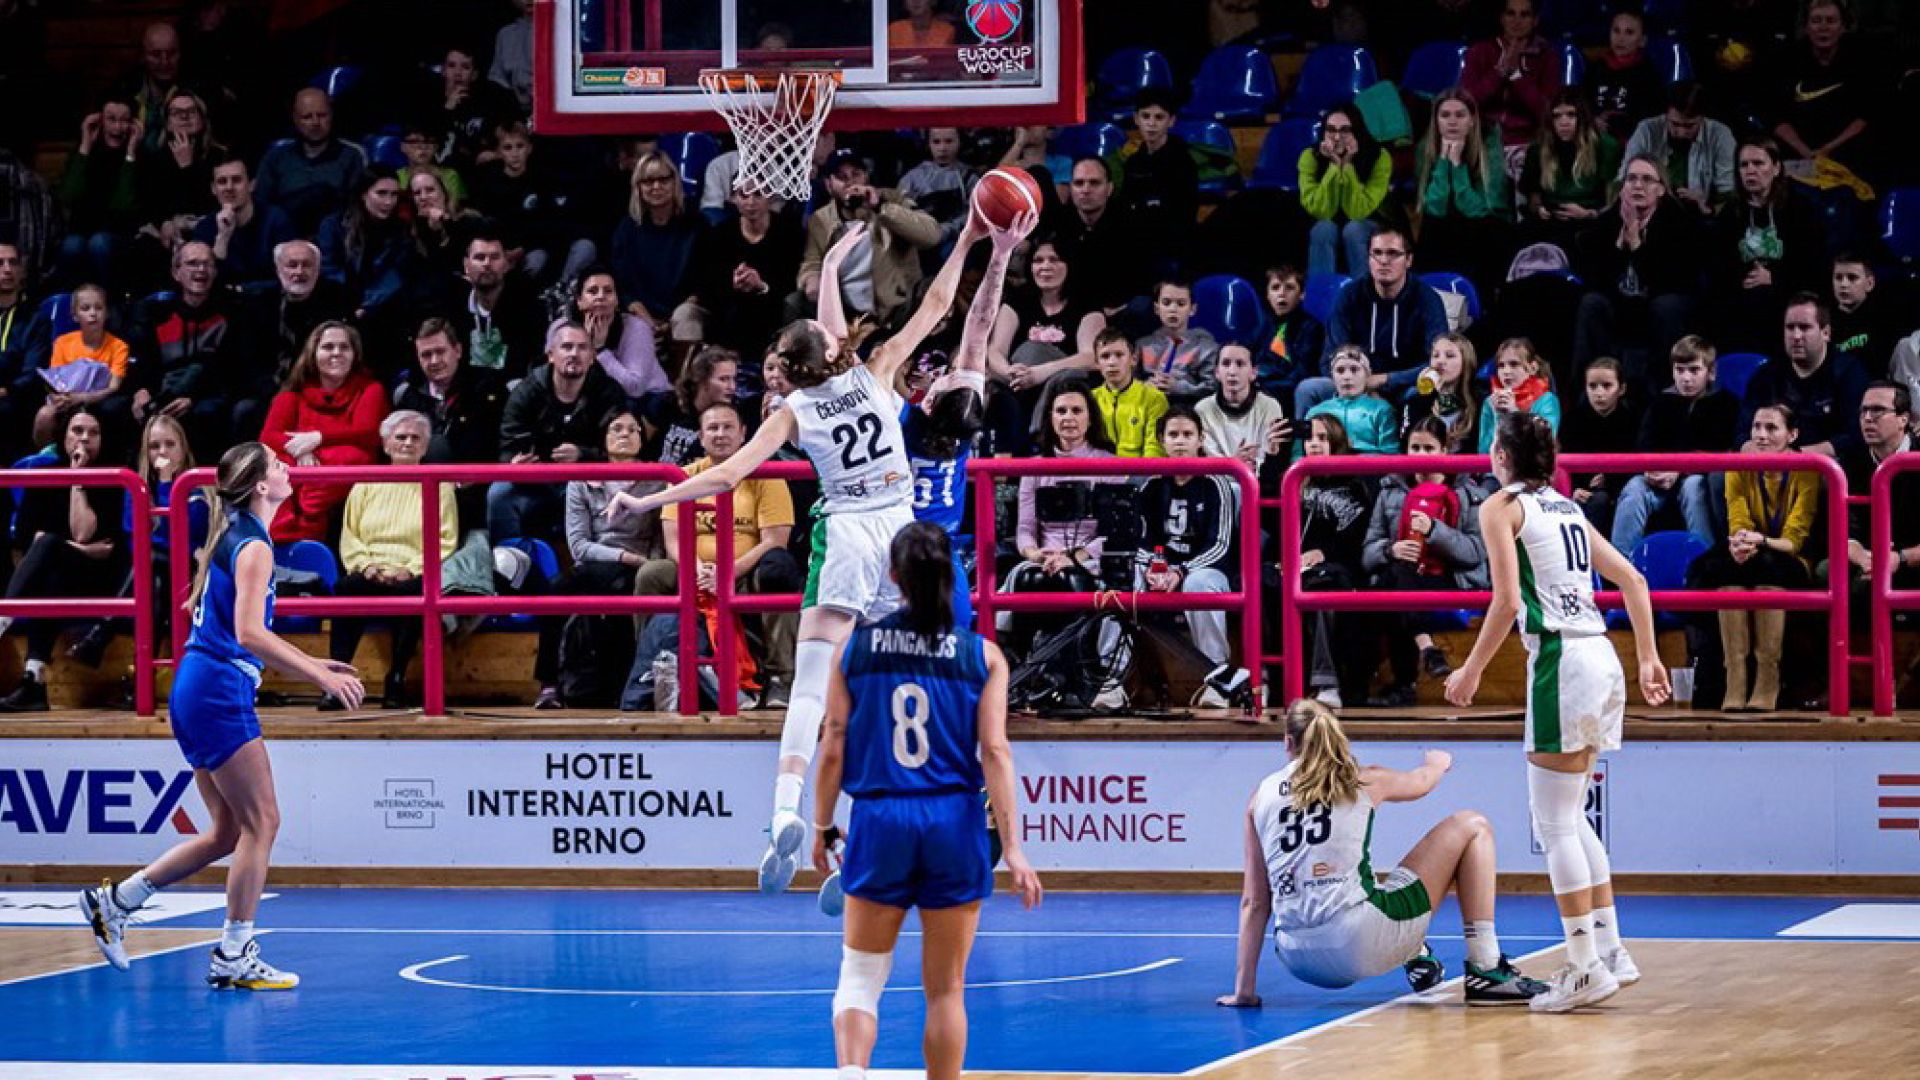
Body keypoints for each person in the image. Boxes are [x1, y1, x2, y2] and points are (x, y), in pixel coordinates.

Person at [606, 214, 998, 895]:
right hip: (900, 539)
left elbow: (727, 476)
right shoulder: (876, 372)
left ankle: (786, 813)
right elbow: (936, 304)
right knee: (887, 690)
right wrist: (967, 238)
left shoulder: (792, 412)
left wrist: (646, 503)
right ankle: (860, 841)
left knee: (814, 689)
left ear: (787, 371)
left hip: (845, 535)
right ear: (834, 352)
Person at [79, 442, 366, 989]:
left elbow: (234, 628)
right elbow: (248, 633)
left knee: (229, 830)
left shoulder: (233, 534)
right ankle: (234, 953)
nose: (286, 469)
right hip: (216, 690)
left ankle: (117, 901)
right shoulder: (253, 546)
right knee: (263, 823)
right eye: (277, 465)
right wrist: (319, 676)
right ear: (260, 486)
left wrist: (313, 662)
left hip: (197, 685)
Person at [1446, 411, 1672, 1012]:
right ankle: (1611, 951)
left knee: (1554, 826)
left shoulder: (1500, 507)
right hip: (1601, 656)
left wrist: (1471, 670)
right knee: (1572, 819)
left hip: (1560, 662)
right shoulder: (1569, 508)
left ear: (1501, 457)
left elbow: (1505, 601)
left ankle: (1583, 964)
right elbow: (1634, 581)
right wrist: (1648, 658)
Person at [809, 521, 1041, 1080]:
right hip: (953, 821)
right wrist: (1014, 847)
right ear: (951, 578)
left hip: (881, 816)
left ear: (892, 576)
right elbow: (995, 751)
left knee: (860, 975)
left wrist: (821, 825)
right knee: (946, 990)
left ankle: (851, 1074)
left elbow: (834, 742)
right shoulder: (983, 656)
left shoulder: (854, 648)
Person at [1217, 699, 1546, 1005]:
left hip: (1295, 957)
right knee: (1473, 826)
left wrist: (1243, 992)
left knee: (1370, 885)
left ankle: (1416, 954)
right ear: (1335, 737)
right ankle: (1486, 967)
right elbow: (1422, 782)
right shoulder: (1363, 780)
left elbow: (1254, 902)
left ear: (1288, 742)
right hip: (1357, 943)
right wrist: (1436, 764)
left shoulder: (1260, 796)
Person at [1687, 402, 1818, 712]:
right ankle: (1735, 677)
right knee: (1715, 569)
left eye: (1771, 428)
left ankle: (1768, 677)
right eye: (1756, 427)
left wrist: (1762, 541)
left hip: (1788, 555)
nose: (1761, 435)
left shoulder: (1807, 470)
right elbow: (1738, 521)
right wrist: (1742, 541)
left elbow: (1794, 540)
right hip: (1748, 550)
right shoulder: (1739, 465)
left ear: (1792, 435)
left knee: (1769, 566)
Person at [0, 406, 127, 711]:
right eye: (77, 430)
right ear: (64, 435)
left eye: (93, 432)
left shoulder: (113, 478)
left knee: (50, 547)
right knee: (49, 575)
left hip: (96, 578)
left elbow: (86, 536)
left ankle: (3, 616)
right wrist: (71, 547)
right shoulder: (44, 476)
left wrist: (77, 480)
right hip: (53, 577)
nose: (84, 439)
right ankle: (33, 681)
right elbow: (29, 541)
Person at [1361, 417, 1488, 707]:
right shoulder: (1390, 490)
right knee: (1395, 578)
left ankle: (1404, 684)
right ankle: (1426, 649)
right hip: (1402, 575)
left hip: (1451, 579)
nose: (1420, 455)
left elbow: (1476, 552)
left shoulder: (1470, 495)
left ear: (1445, 450)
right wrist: (1390, 549)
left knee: (1392, 589)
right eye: (1414, 448)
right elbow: (1367, 552)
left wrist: (1435, 531)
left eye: (1429, 448)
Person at [534, 408, 657, 709]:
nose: (625, 434)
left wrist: (649, 563)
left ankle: (621, 687)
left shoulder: (658, 479)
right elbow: (578, 545)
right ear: (604, 436)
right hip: (599, 560)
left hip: (643, 565)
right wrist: (625, 557)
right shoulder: (582, 480)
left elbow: (661, 535)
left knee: (623, 590)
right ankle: (549, 684)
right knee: (555, 590)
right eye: (617, 428)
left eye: (633, 429)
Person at [1140, 407, 1246, 705]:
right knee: (1121, 579)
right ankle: (1112, 681)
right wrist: (1152, 568)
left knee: (1198, 584)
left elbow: (1220, 544)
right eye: (1173, 434)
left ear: (1201, 440)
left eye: (1187, 434)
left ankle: (1217, 678)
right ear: (1161, 440)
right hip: (1161, 569)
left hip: (1208, 571)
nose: (1180, 441)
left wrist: (1180, 571)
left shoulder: (1217, 483)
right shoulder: (1151, 485)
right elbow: (1142, 539)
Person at [1572, 154, 1703, 383]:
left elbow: (1669, 282)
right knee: (1591, 303)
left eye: (1647, 179)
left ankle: (1664, 387)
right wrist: (1618, 246)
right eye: (1631, 178)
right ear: (1622, 187)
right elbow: (1595, 281)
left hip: (1659, 305)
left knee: (1666, 306)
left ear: (1661, 190)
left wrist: (1636, 244)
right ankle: (1586, 389)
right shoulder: (1607, 222)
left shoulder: (1678, 224)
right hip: (1621, 306)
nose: (1638, 185)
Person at [490, 321, 626, 541]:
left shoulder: (608, 392)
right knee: (500, 492)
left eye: (582, 347)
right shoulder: (525, 393)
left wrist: (582, 454)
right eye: (567, 347)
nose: (574, 354)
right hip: (536, 482)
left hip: (589, 483)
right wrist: (514, 464)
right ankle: (509, 557)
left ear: (592, 357)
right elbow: (507, 447)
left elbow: (622, 453)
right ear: (551, 355)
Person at [258, 321, 390, 542]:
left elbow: (367, 433)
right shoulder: (294, 393)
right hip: (299, 466)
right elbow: (268, 436)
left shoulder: (370, 389)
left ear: (354, 354)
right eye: (328, 347)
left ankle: (308, 537)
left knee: (354, 456)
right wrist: (302, 450)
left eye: (344, 347)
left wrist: (318, 438)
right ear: (313, 353)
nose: (336, 353)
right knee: (275, 461)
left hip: (339, 472)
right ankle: (282, 536)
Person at [1612, 334, 1741, 556]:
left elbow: (1724, 453)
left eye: (1694, 370)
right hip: (1658, 480)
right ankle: (1618, 566)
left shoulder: (1727, 405)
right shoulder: (1660, 403)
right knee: (1634, 487)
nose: (1686, 378)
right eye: (1680, 370)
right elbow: (1643, 445)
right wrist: (1650, 468)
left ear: (1710, 372)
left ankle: (1706, 563)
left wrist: (1679, 470)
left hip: (1696, 478)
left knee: (1693, 487)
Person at [1303, 227, 1449, 418]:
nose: (1383, 261)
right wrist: (1360, 386)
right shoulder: (1349, 295)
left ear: (1408, 260)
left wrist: (1385, 380)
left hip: (1406, 384)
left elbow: (1438, 363)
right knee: (1309, 389)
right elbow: (1332, 356)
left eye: (1393, 253)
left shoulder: (1428, 300)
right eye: (1377, 253)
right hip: (1354, 382)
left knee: (1422, 393)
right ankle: (1305, 439)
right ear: (1369, 259)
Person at [798, 148, 941, 329]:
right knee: (795, 302)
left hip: (896, 308)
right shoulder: (820, 220)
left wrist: (880, 207)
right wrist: (811, 279)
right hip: (848, 312)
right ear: (829, 185)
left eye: (856, 174)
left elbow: (932, 236)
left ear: (866, 176)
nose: (850, 182)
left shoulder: (892, 200)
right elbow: (812, 262)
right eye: (841, 177)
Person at [1711, 136, 1825, 353]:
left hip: (1789, 290)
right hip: (1741, 293)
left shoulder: (1800, 209)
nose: (1750, 171)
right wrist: (1745, 276)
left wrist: (1775, 277)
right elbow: (1719, 265)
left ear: (1776, 168)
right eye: (1744, 165)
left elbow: (1813, 263)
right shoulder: (1730, 213)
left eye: (1758, 163)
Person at [1740, 292, 1869, 458]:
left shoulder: (1849, 373)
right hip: (1770, 463)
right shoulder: (1765, 375)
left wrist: (1796, 457)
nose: (1796, 336)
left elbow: (1855, 436)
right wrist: (1756, 451)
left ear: (1826, 333)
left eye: (1804, 327)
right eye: (1790, 327)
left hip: (1828, 464)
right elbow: (1741, 434)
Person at [986, 233, 1106, 400]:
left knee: (1034, 351)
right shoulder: (1017, 301)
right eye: (1038, 260)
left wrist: (1039, 373)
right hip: (1016, 384)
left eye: (1054, 260)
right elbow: (995, 350)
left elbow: (1090, 357)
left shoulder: (1087, 306)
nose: (1045, 266)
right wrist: (1010, 372)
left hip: (1063, 389)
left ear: (1069, 264)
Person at [1413, 89, 1513, 286]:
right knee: (1432, 226)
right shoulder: (1426, 149)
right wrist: (1443, 162)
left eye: (1460, 115)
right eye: (1445, 115)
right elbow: (1434, 207)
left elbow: (1480, 210)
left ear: (1472, 120)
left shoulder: (1489, 148)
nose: (1452, 121)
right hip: (1445, 225)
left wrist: (1457, 166)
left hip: (1483, 227)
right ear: (1436, 121)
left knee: (1482, 230)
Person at [1461, 0, 1561, 172]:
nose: (1517, 21)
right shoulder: (1480, 52)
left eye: (1524, 15)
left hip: (1528, 142)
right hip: (1484, 140)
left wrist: (1516, 76)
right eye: (1511, 13)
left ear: (1535, 21)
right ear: (1502, 18)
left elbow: (1547, 111)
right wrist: (1500, 73)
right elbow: (1467, 103)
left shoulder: (1547, 58)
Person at [254, 88, 368, 237]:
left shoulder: (351, 156)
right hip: (284, 239)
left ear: (331, 115)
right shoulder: (275, 158)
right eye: (307, 117)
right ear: (295, 119)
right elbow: (261, 208)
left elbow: (356, 210)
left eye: (322, 115)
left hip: (335, 239)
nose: (315, 122)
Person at [55, 94, 141, 290]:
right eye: (111, 119)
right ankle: (72, 302)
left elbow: (123, 206)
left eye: (124, 121)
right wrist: (85, 144)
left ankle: (107, 300)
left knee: (99, 243)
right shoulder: (84, 152)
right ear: (99, 120)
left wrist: (130, 154)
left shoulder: (139, 156)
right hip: (81, 232)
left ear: (133, 124)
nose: (118, 127)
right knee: (71, 246)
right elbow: (68, 196)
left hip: (121, 235)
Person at [1519, 90, 1621, 251]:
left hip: (1591, 220)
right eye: (1556, 116)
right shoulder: (1538, 148)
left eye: (1571, 115)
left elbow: (1613, 202)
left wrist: (1590, 214)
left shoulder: (1606, 147)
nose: (1563, 122)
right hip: (1550, 220)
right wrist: (1539, 209)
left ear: (1583, 118)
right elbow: (1533, 198)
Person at [1619, 82, 1736, 219]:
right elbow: (1623, 178)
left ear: (1702, 118)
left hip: (1700, 218)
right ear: (1666, 115)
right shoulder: (1647, 130)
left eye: (1689, 126)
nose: (1681, 133)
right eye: (1674, 124)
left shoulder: (1720, 135)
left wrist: (1705, 205)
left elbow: (1729, 193)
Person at [34, 283, 132, 447]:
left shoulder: (119, 346)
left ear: (107, 313)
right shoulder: (62, 342)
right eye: (85, 308)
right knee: (45, 414)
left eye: (98, 308)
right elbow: (55, 381)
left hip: (99, 402)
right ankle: (47, 456)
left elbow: (113, 387)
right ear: (75, 315)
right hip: (66, 400)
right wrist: (61, 399)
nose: (93, 313)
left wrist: (81, 398)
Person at [1299, 105, 1390, 278]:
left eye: (1345, 130)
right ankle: (1322, 291)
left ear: (1357, 131)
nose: (1336, 137)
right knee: (1323, 229)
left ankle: (1363, 291)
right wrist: (1334, 167)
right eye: (1331, 130)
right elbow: (1321, 211)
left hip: (1369, 219)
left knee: (1353, 229)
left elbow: (1358, 212)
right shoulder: (1310, 157)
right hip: (1325, 219)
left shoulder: (1379, 157)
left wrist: (1347, 165)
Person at [1559, 356, 1640, 535]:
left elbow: (1636, 463)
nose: (1599, 393)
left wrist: (1609, 481)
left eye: (1607, 385)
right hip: (1581, 491)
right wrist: (1574, 488)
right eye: (1593, 386)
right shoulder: (1572, 421)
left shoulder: (1633, 421)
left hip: (1620, 489)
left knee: (1602, 500)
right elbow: (1563, 461)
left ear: (1621, 389)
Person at [561, 267, 669, 400]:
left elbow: (635, 389)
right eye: (592, 291)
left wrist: (600, 350)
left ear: (617, 301)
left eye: (608, 291)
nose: (600, 296)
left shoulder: (636, 328)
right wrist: (585, 345)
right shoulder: (564, 329)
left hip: (648, 399)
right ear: (579, 301)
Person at [192, 155, 297, 291]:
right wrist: (222, 237)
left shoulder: (276, 220)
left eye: (236, 180)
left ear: (252, 185)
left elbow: (289, 275)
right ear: (213, 189)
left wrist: (242, 289)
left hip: (269, 299)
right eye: (222, 182)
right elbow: (204, 282)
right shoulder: (205, 228)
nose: (229, 187)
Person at [1197, 343, 1291, 486]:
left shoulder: (1269, 406)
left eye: (1240, 364)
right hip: (1217, 486)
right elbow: (1209, 464)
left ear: (1253, 373)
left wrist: (1246, 467)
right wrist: (1235, 464)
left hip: (1259, 483)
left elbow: (1267, 461)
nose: (1232, 371)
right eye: (1226, 364)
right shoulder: (1202, 409)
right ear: (1217, 372)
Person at [1136, 278, 1219, 405]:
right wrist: (1144, 386)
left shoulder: (1206, 347)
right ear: (1156, 308)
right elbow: (1127, 382)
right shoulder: (1142, 345)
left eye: (1181, 304)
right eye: (1166, 303)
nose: (1173, 309)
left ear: (1192, 309)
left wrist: (1180, 387)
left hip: (1189, 409)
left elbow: (1213, 388)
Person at [1091, 328, 1168, 458]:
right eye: (1105, 356)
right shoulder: (1089, 399)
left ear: (1133, 359)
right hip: (1099, 468)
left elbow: (1154, 449)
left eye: (1119, 355)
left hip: (1140, 469)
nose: (1112, 362)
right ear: (1097, 363)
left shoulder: (1154, 398)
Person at [1305, 346, 1396, 456]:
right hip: (1326, 465)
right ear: (1332, 375)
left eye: (1354, 370)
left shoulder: (1382, 409)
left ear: (1367, 374)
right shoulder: (1315, 412)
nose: (1347, 377)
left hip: (1367, 465)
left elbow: (1391, 454)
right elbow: (1299, 455)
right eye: (1340, 370)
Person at [1589, 7, 1664, 140]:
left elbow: (1649, 119)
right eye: (1616, 31)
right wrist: (1593, 120)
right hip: (1594, 135)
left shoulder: (1648, 74)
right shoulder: (1596, 68)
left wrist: (1613, 125)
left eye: (1629, 32)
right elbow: (1583, 104)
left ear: (1642, 41)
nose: (1620, 38)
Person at [1257, 266, 1324, 410]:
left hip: (1287, 391)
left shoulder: (1312, 329)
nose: (1282, 293)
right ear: (1268, 295)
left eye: (1289, 288)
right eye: (1275, 288)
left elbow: (1302, 374)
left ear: (1302, 294)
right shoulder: (1265, 326)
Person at [1477, 337, 1561, 452]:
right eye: (1501, 365)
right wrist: (1499, 415)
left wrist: (1514, 414)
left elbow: (1543, 445)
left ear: (1532, 368)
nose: (1506, 371)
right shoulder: (1490, 402)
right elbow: (1484, 450)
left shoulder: (1547, 400)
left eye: (1514, 364)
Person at [1402, 332, 1479, 453]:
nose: (1440, 361)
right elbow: (1407, 445)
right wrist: (1426, 396)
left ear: (1466, 362)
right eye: (1435, 355)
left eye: (1450, 356)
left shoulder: (1478, 400)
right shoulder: (1416, 400)